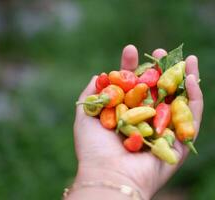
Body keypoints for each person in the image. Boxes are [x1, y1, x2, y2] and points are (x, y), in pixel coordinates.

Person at [64, 45, 204, 200]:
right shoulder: (124, 107)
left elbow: (148, 107)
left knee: (153, 111)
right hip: (130, 116)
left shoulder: (149, 103)